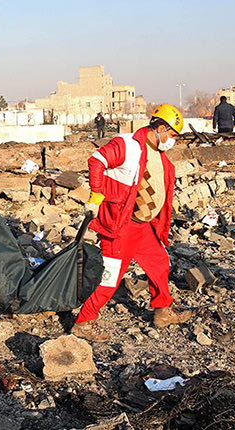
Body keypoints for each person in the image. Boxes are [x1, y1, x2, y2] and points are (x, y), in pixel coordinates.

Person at [72, 104, 194, 342]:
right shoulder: (127, 145)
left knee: (159, 264)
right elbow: (96, 160)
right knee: (111, 277)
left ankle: (163, 311)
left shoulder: (158, 153)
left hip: (142, 226)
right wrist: (96, 196)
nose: (173, 141)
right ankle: (84, 322)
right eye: (172, 135)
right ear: (160, 128)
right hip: (120, 225)